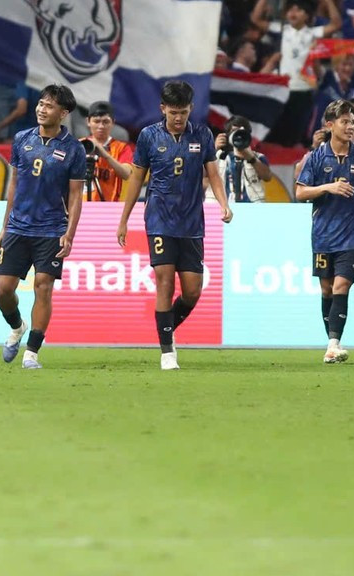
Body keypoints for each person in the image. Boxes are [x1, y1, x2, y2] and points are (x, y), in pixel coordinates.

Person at [116, 80, 232, 370]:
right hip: (159, 219)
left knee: (193, 290)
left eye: (183, 112)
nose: (178, 118)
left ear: (191, 109)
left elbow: (214, 174)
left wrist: (223, 203)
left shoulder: (203, 135)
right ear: (163, 109)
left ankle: (165, 329)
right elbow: (137, 178)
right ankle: (167, 351)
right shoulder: (148, 137)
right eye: (173, 112)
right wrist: (124, 219)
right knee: (165, 282)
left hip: (192, 222)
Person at [0, 85, 91, 370]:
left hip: (51, 229)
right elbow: (14, 184)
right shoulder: (22, 139)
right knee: (3, 289)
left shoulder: (73, 149)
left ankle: (32, 353)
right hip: (18, 227)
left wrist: (69, 235)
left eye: (49, 106)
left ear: (63, 113)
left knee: (43, 287)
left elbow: (75, 196)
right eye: (40, 103)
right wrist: (4, 226)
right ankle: (17, 326)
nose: (41, 109)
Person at [292, 99, 354, 364]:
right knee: (327, 290)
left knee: (341, 285)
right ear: (330, 125)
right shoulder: (315, 158)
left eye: (353, 121)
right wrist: (328, 187)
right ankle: (332, 344)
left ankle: (333, 344)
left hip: (353, 234)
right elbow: (300, 192)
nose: (351, 126)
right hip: (323, 235)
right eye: (345, 121)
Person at [218, 115, 281, 206]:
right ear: (227, 136)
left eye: (242, 132)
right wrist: (213, 150)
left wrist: (251, 158)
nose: (238, 136)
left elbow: (267, 177)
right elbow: (202, 176)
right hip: (227, 207)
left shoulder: (258, 157)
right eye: (234, 132)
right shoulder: (221, 156)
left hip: (253, 206)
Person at [80, 99, 132, 201]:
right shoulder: (79, 145)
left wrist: (105, 155)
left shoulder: (122, 148)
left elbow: (126, 174)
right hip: (81, 205)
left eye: (105, 122)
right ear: (88, 122)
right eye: (96, 121)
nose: (101, 126)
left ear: (113, 123)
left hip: (109, 206)